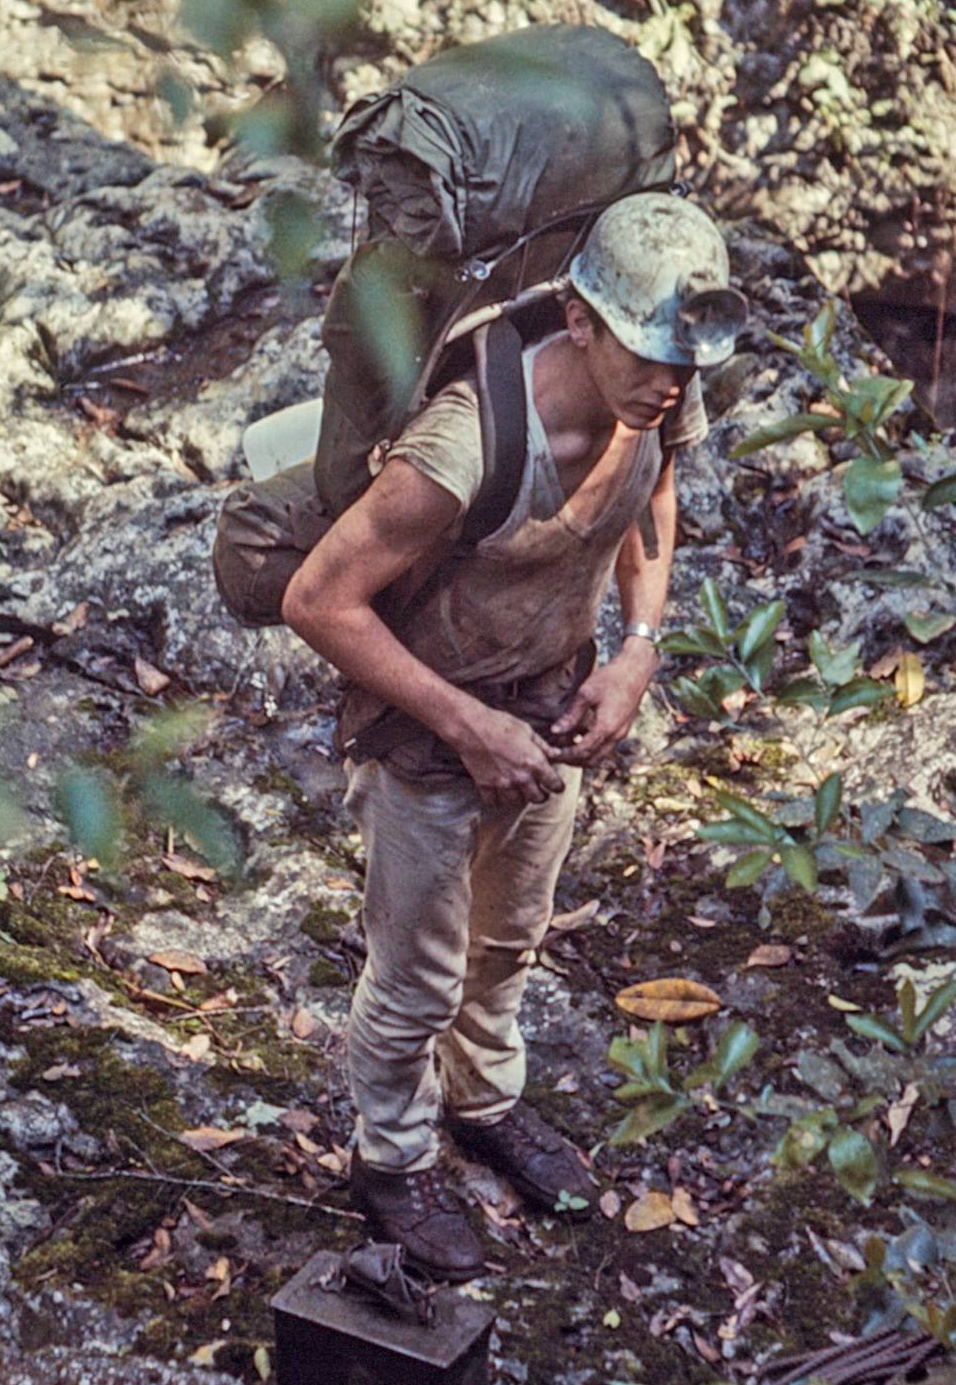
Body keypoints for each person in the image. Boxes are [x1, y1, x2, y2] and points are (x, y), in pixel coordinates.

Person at [282, 192, 744, 1280]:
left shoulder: (658, 396)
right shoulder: (468, 440)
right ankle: (388, 1156)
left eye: (686, 360)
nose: (670, 380)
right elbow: (318, 597)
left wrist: (635, 648)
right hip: (429, 725)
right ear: (579, 321)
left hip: (549, 703)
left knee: (509, 937)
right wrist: (464, 721)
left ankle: (482, 1098)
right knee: (416, 972)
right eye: (646, 351)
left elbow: (655, 491)